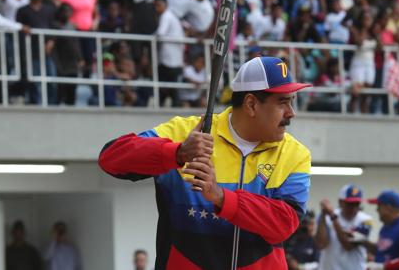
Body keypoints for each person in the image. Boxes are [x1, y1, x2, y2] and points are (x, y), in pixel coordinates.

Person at [98, 56, 312, 269]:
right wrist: (178, 153)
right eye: (283, 102)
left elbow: (284, 224)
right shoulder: (185, 133)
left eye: (291, 101)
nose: (291, 113)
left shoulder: (296, 154)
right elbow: (110, 159)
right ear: (251, 105)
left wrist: (220, 197)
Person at [315, 184, 373, 270]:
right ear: (340, 202)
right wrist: (323, 214)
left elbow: (348, 245)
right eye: (349, 204)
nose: (353, 208)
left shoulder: (365, 220)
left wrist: (333, 217)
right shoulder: (326, 217)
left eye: (356, 204)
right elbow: (321, 244)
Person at [365, 190, 399, 270]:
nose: (377, 210)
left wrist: (382, 266)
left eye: (379, 206)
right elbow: (382, 250)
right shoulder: (385, 228)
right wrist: (363, 242)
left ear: (388, 208)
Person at [154, 0, 186, 107]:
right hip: (175, 59)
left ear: (165, 5)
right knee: (173, 88)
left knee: (165, 88)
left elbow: (160, 33)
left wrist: (151, 36)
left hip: (168, 59)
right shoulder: (173, 16)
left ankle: (162, 106)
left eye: (158, 5)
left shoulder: (166, 16)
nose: (156, 8)